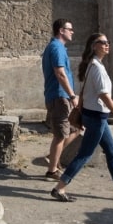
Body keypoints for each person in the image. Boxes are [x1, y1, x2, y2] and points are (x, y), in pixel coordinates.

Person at [50, 32, 113, 202]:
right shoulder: (96, 67)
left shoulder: (95, 65)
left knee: (111, 152)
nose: (106, 44)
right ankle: (60, 188)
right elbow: (104, 96)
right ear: (94, 46)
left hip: (96, 116)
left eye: (107, 41)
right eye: (102, 42)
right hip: (96, 117)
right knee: (85, 155)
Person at [42, 18, 79, 180]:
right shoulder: (56, 47)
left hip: (62, 97)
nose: (72, 32)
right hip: (60, 97)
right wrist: (72, 95)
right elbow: (60, 73)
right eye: (69, 29)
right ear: (61, 31)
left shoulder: (59, 48)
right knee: (60, 135)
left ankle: (53, 158)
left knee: (76, 129)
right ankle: (52, 171)